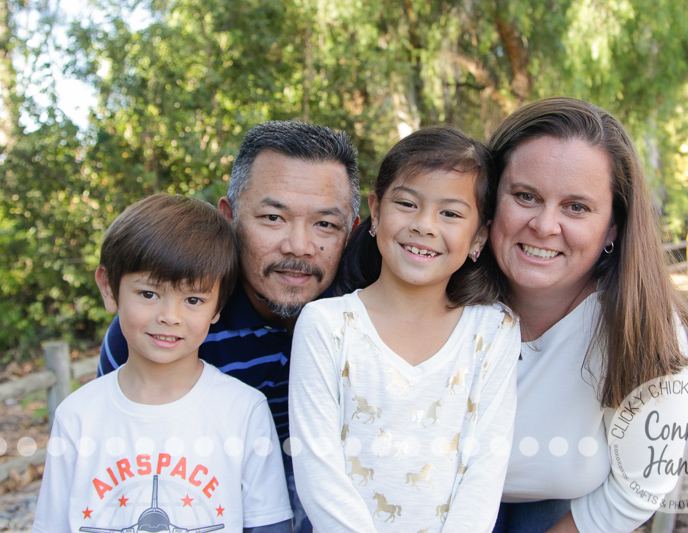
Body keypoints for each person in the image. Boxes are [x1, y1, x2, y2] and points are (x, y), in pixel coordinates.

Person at [96, 121, 360, 532]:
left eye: (325, 224)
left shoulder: (368, 317)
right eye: (273, 217)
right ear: (229, 216)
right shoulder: (168, 328)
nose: (299, 245)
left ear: (353, 230)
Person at [486, 97, 688, 533]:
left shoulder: (646, 327)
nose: (545, 225)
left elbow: (638, 488)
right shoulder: (437, 293)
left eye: (576, 207)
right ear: (490, 199)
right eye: (526, 196)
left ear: (613, 228)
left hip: (558, 512)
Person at [289, 125, 521, 532]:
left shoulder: (493, 331)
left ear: (479, 235)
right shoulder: (326, 326)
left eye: (450, 213)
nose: (425, 225)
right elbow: (318, 469)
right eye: (407, 204)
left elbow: (485, 468)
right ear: (376, 212)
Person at [33, 194, 293, 532]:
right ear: (109, 288)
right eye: (149, 294)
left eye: (193, 299)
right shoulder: (77, 416)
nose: (170, 317)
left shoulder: (244, 411)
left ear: (218, 307)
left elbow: (268, 524)